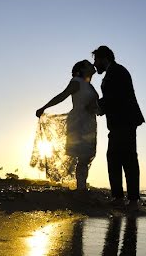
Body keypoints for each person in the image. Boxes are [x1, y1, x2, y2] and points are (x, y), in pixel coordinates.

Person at [92, 45, 144, 209]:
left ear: (104, 58)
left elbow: (114, 98)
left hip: (125, 121)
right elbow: (111, 98)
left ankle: (130, 199)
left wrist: (99, 107)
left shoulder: (117, 72)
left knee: (126, 159)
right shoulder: (113, 72)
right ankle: (121, 197)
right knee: (116, 158)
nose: (95, 64)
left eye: (96, 60)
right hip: (120, 123)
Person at [35, 60, 100, 192]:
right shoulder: (77, 81)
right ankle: (81, 188)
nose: (92, 65)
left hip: (90, 122)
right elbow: (62, 95)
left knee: (86, 156)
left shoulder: (90, 86)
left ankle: (81, 185)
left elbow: (96, 105)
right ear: (81, 69)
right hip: (78, 121)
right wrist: (44, 107)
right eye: (88, 64)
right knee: (81, 155)